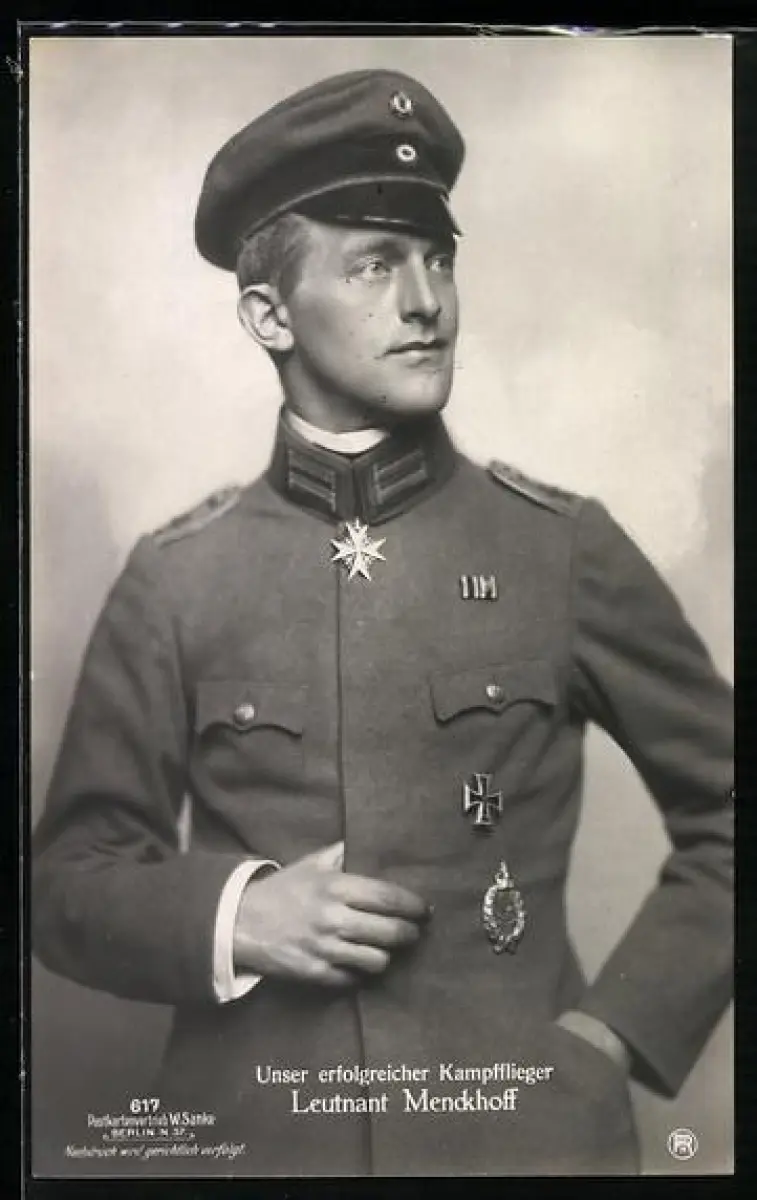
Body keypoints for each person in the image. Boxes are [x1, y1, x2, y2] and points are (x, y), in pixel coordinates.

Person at [32, 68, 733, 1177]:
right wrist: (235, 917)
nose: (426, 303)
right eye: (373, 263)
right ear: (268, 314)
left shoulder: (560, 548)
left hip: (520, 1152)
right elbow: (68, 878)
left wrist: (612, 1039)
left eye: (437, 259)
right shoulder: (177, 577)